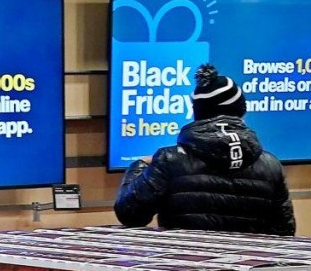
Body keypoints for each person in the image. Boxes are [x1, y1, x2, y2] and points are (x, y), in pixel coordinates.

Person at [114, 63, 296, 235]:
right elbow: (284, 233)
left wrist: (140, 166)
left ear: (197, 113)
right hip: (248, 266)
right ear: (241, 111)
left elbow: (130, 214)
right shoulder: (270, 165)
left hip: (187, 265)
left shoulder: (168, 160)